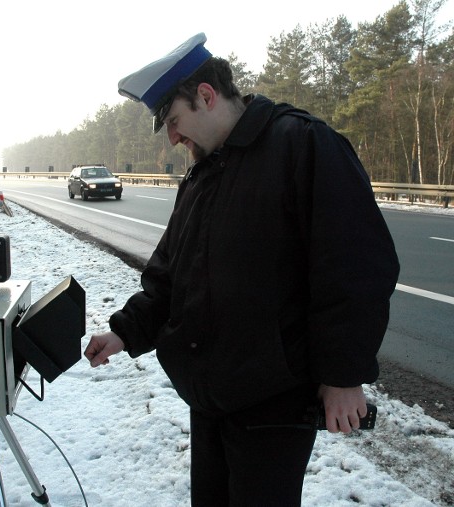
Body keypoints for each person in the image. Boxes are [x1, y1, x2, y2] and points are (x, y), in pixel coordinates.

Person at [84, 33, 400, 506]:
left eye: (174, 120)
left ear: (206, 96)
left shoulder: (304, 145)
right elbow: (172, 274)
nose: (172, 136)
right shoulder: (203, 173)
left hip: (274, 400)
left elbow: (355, 269)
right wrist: (126, 332)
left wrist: (343, 376)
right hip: (210, 398)